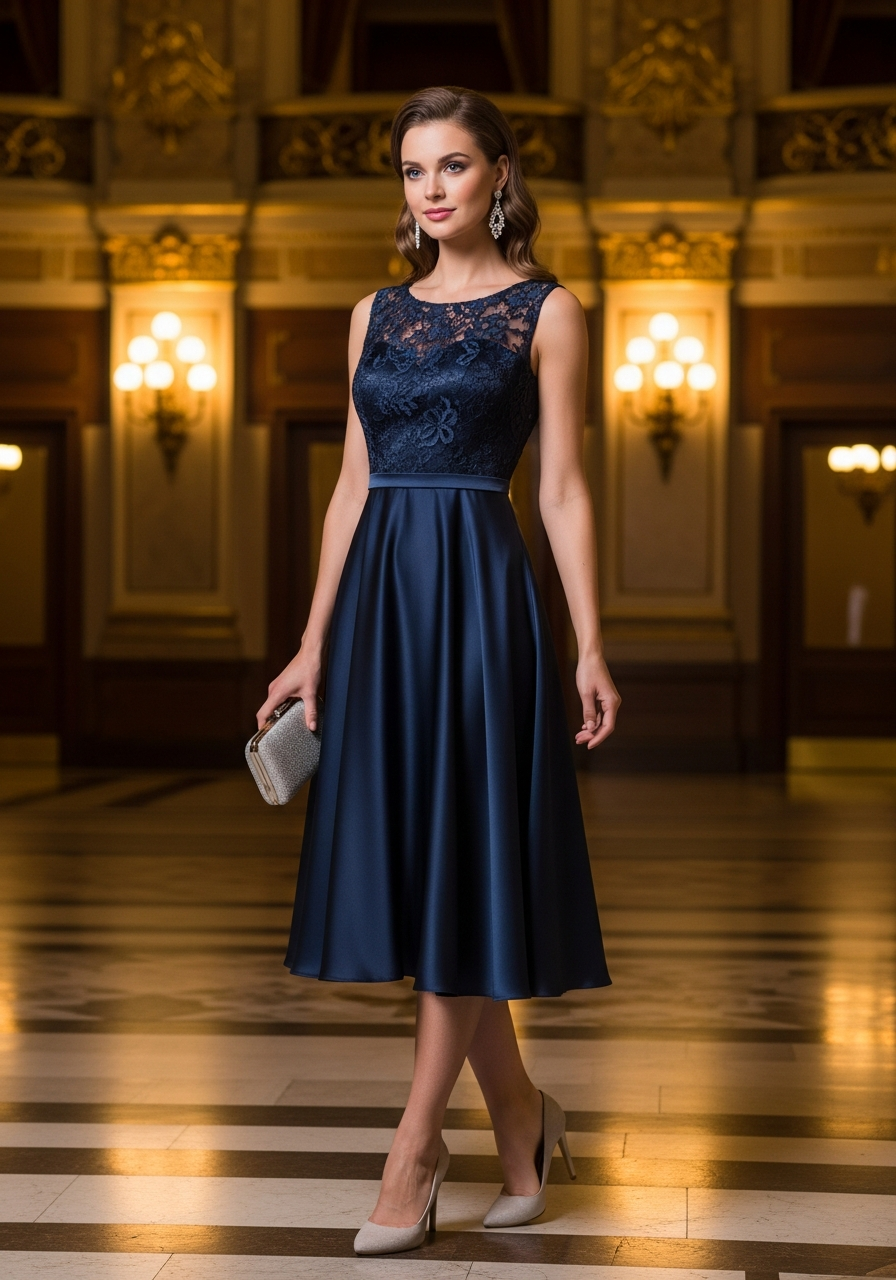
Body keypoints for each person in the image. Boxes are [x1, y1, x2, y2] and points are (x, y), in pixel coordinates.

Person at [256, 85, 620, 1256]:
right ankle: (517, 1109)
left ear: (499, 176)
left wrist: (590, 644)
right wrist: (314, 642)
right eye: (414, 171)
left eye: (453, 166)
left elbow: (558, 488)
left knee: (464, 855)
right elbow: (351, 487)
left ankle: (414, 1145)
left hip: (478, 596)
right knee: (431, 866)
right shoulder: (370, 314)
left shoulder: (545, 312)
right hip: (377, 604)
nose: (431, 188)